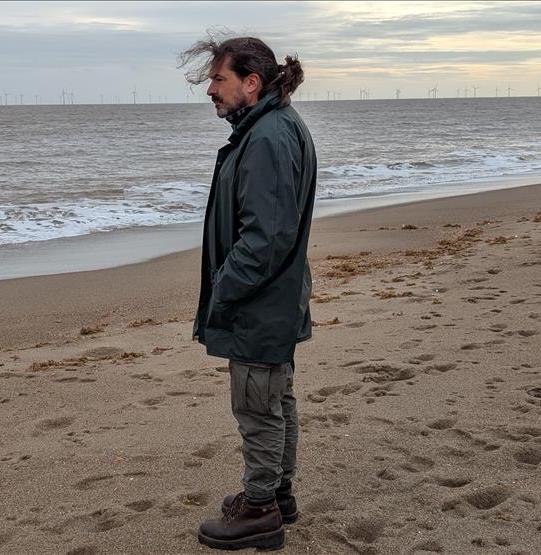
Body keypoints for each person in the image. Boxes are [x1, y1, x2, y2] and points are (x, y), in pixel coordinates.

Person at [180, 34, 317, 551]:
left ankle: (260, 509)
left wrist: (223, 291)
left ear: (251, 83)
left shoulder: (268, 137)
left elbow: (263, 239)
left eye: (219, 80)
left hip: (262, 299)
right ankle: (277, 496)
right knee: (275, 397)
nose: (210, 91)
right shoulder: (267, 128)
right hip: (273, 297)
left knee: (258, 404)